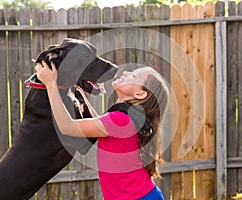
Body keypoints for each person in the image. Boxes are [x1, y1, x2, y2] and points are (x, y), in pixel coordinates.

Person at [35, 60, 170, 200]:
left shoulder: (121, 120)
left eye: (134, 76)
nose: (125, 72)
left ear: (140, 94)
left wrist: (50, 84)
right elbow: (98, 123)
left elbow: (66, 126)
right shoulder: (124, 119)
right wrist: (79, 90)